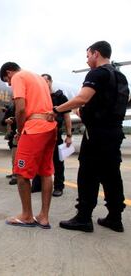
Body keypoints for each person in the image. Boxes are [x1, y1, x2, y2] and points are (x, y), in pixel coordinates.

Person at [53, 41, 129, 233]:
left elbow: (82, 98)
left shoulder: (97, 73)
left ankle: (84, 218)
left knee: (88, 176)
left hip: (96, 135)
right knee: (112, 176)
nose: (87, 60)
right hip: (114, 134)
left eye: (88, 55)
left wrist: (56, 109)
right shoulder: (121, 77)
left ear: (96, 54)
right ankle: (115, 218)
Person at [0, 62, 57, 229]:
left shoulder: (18, 76)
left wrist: (19, 129)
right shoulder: (39, 78)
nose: (9, 84)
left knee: (21, 173)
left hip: (34, 129)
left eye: (7, 80)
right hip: (49, 127)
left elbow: (21, 109)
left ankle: (26, 216)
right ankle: (44, 217)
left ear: (9, 73)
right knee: (46, 172)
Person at [31, 74, 72, 196]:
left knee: (58, 162)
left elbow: (67, 117)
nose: (43, 83)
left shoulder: (60, 97)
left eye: (46, 81)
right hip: (40, 135)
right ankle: (37, 185)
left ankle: (59, 186)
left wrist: (69, 135)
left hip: (55, 135)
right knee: (38, 161)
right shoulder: (38, 98)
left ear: (50, 82)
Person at [1, 103, 17, 185]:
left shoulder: (25, 107)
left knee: (18, 157)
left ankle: (17, 175)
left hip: (21, 135)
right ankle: (15, 173)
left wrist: (14, 120)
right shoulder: (10, 108)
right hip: (12, 136)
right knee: (13, 157)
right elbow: (2, 122)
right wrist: (6, 120)